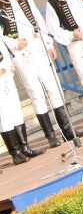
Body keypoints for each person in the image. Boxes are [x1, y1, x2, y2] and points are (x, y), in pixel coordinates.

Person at [0, 0, 83, 148]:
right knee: (36, 92)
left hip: (37, 45)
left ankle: (67, 130)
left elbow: (38, 19)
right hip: (21, 52)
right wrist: (14, 44)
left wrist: (48, 43)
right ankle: (51, 136)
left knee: (53, 87)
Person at [0, 33, 46, 164]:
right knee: (4, 115)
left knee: (15, 112)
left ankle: (24, 147)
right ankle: (15, 153)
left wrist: (9, 60)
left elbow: (4, 41)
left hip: (7, 74)